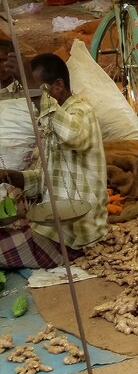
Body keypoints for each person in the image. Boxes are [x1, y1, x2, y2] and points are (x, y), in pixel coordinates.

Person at [0, 53, 108, 268]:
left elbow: (72, 135)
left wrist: (32, 87)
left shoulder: (82, 111)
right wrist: (15, 177)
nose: (34, 100)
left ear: (58, 85)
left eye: (39, 90)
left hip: (75, 238)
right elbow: (48, 177)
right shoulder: (51, 118)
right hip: (52, 225)